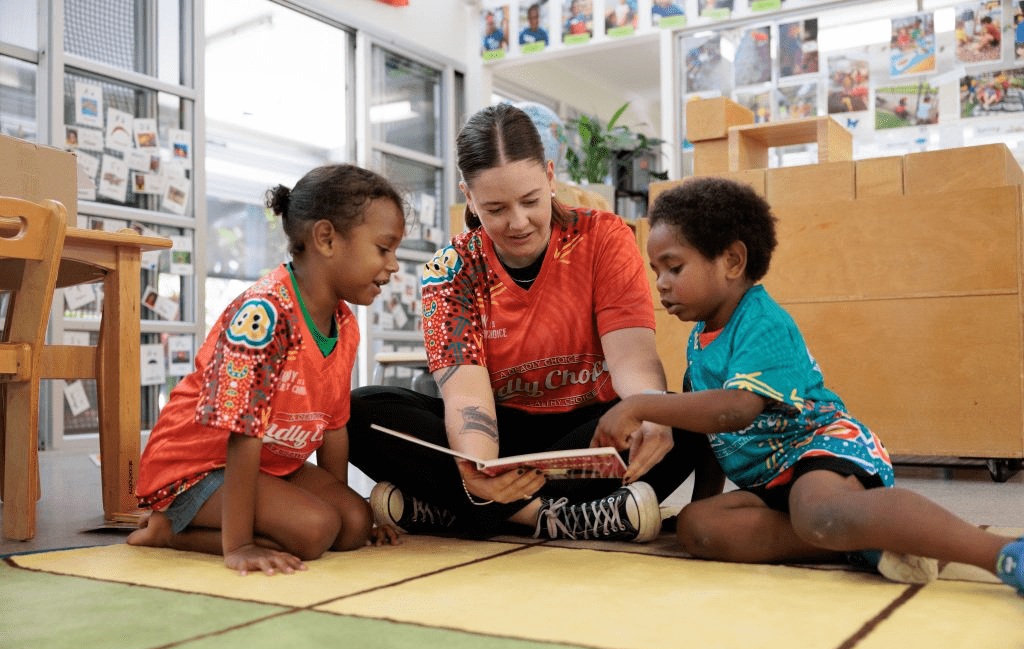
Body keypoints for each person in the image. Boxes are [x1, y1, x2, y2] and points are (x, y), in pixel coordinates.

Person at [590, 177, 1024, 593]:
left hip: (821, 452)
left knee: (818, 510)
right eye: (656, 271)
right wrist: (701, 501)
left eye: (674, 267)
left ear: (733, 261)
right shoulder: (699, 343)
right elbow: (710, 434)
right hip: (773, 485)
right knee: (697, 528)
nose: (661, 284)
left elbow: (735, 409)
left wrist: (640, 405)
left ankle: (1002, 554)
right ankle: (863, 539)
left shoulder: (763, 322)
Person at [347, 103, 718, 544]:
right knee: (360, 413)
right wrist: (480, 472)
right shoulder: (450, 270)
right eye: (496, 208)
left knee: (680, 419)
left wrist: (650, 409)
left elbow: (632, 359)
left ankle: (454, 511)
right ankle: (556, 516)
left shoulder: (604, 237)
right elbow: (467, 399)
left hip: (587, 432)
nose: (518, 223)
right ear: (469, 197)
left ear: (550, 177)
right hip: (496, 436)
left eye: (530, 201)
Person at [127, 164, 405, 575]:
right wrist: (239, 546)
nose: (394, 265)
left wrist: (342, 505)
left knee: (353, 524)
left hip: (266, 465)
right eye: (384, 248)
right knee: (315, 530)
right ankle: (169, 531)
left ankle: (287, 525)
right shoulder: (263, 315)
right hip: (195, 469)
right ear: (326, 239)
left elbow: (333, 428)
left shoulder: (345, 326)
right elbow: (243, 434)